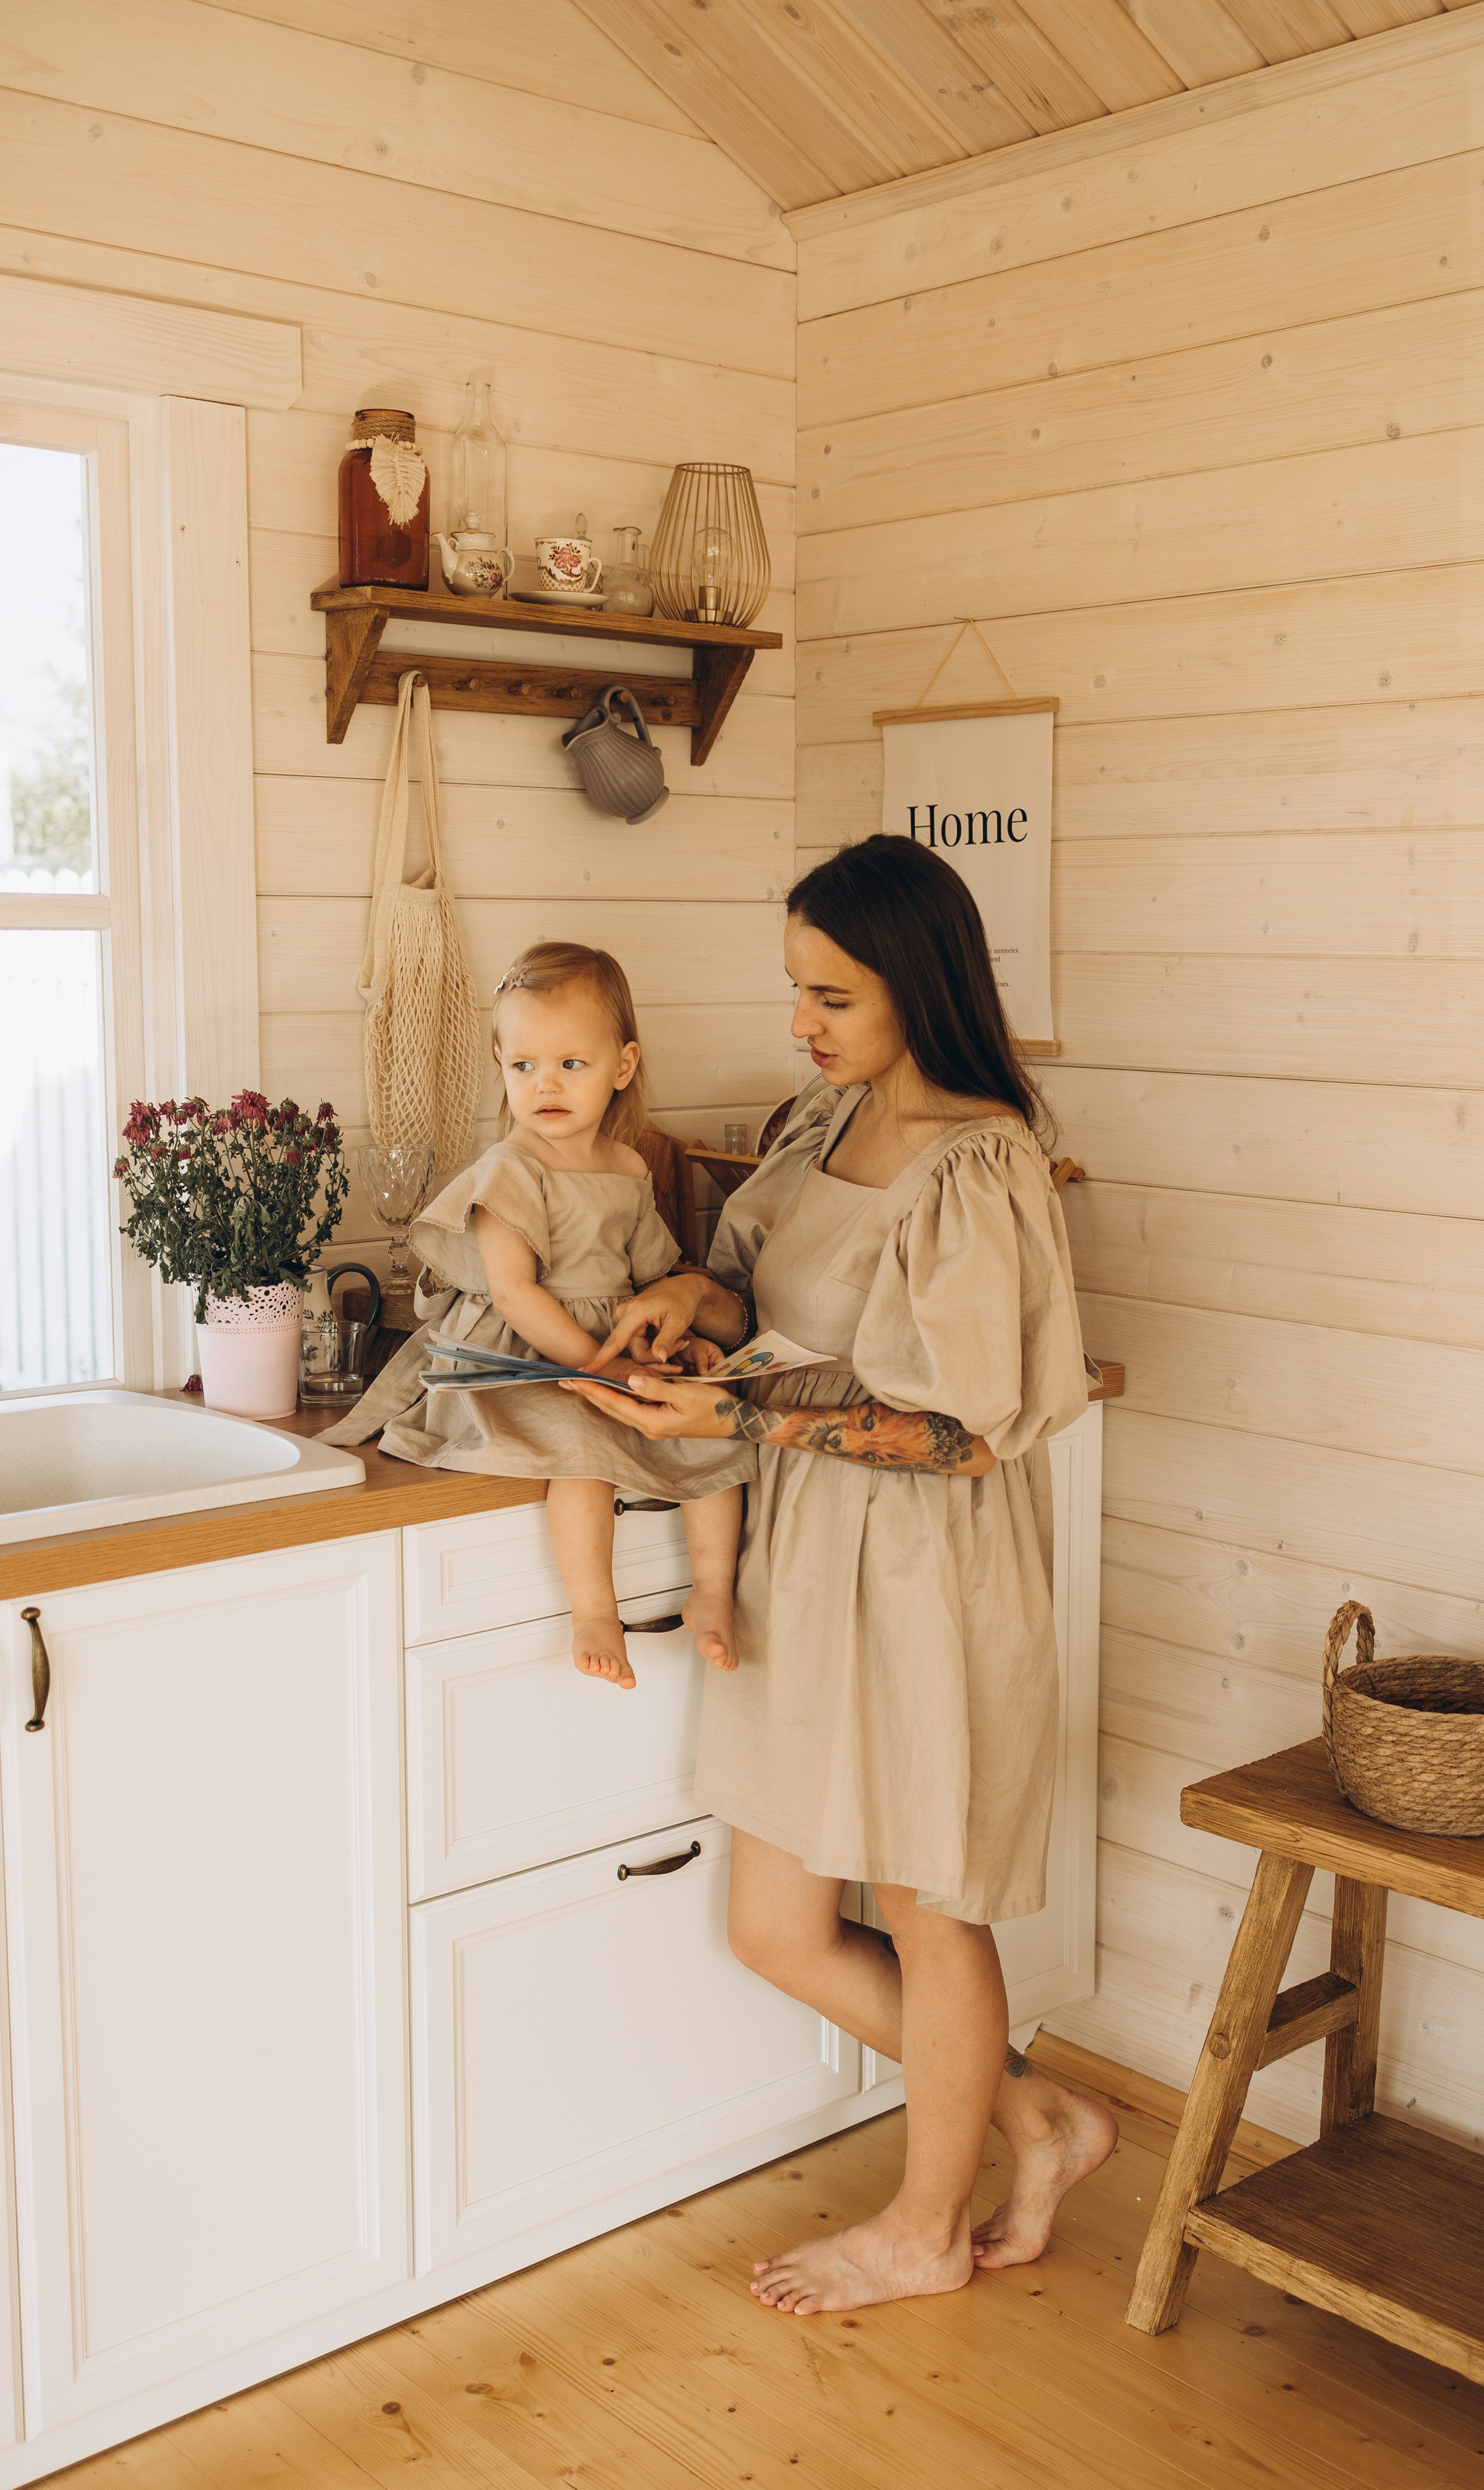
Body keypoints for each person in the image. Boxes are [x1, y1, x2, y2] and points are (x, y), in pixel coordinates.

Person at [562, 836, 1119, 2316]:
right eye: (795, 989)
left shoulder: (981, 1160)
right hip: (809, 1551)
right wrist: (688, 1300)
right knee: (777, 1924)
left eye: (830, 995)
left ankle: (925, 2231)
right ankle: (1034, 2118)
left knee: (930, 1909)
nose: (799, 1021)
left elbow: (964, 1431)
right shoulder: (826, 1115)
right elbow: (762, 1282)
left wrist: (740, 1417)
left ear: (915, 987)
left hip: (930, 1565)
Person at [323, 941, 753, 1688]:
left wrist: (676, 1344)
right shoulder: (510, 1170)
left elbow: (656, 1277)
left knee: (710, 1433)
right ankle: (595, 1611)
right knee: (583, 1453)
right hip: (519, 1358)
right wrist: (602, 1366)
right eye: (522, 1065)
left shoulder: (627, 1168)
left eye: (570, 1064)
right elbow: (516, 1295)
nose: (543, 1083)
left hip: (609, 1347)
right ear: (500, 1062)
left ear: (622, 1067)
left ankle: (713, 1593)